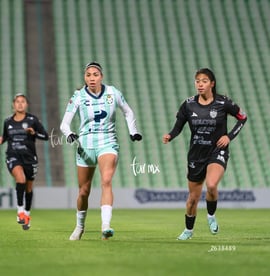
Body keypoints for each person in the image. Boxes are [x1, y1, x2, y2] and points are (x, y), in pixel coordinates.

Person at [60, 61, 142, 240]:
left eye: (95, 75)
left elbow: (128, 112)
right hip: (85, 145)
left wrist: (133, 131)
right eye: (88, 75)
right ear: (85, 77)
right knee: (84, 191)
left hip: (107, 142)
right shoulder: (78, 96)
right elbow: (64, 123)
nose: (91, 78)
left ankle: (106, 225)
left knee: (106, 180)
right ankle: (79, 226)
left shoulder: (113, 92)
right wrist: (69, 134)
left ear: (101, 77)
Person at [162, 68, 247, 240]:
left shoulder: (224, 103)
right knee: (193, 198)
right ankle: (188, 231)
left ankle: (210, 215)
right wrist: (170, 135)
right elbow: (179, 126)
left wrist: (229, 136)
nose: (200, 84)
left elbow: (242, 118)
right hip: (196, 154)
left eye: (204, 81)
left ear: (212, 83)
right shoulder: (188, 104)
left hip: (217, 151)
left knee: (212, 185)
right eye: (197, 81)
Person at [0, 93, 48, 230]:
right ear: (14, 104)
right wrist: (2, 140)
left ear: (26, 104)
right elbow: (6, 136)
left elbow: (46, 136)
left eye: (23, 101)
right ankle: (20, 211)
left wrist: (34, 133)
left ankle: (27, 214)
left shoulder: (32, 120)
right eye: (17, 101)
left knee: (29, 188)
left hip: (30, 158)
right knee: (20, 179)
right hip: (13, 155)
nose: (20, 104)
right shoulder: (8, 121)